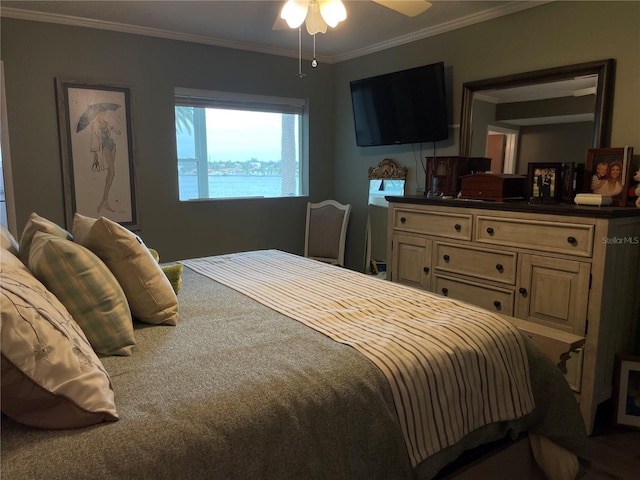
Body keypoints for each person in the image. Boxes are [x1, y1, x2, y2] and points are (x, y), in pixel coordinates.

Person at [90, 110, 121, 212]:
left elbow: (113, 133)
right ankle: (103, 200)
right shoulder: (95, 124)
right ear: (98, 113)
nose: (104, 114)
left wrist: (114, 130)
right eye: (102, 112)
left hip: (112, 146)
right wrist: (95, 156)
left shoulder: (106, 121)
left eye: (104, 113)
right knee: (112, 173)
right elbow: (94, 139)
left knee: (109, 173)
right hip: (105, 147)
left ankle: (106, 201)